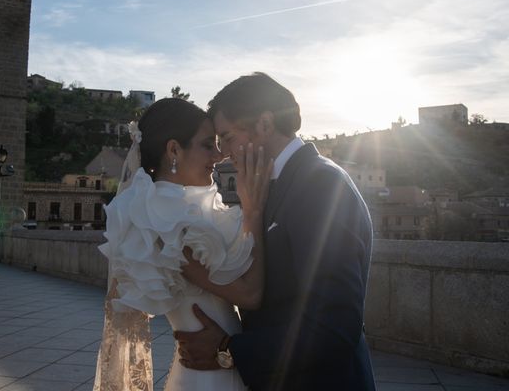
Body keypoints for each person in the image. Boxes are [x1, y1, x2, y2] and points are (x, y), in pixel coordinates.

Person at [176, 73, 376, 390]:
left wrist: (228, 350)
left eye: (227, 137)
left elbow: (335, 327)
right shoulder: (272, 187)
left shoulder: (320, 184)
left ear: (265, 125)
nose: (224, 153)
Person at [93, 98, 272, 391]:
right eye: (207, 145)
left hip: (208, 371)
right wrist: (253, 211)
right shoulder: (170, 223)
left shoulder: (164, 211)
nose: (218, 155)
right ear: (174, 149)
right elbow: (249, 295)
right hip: (212, 379)